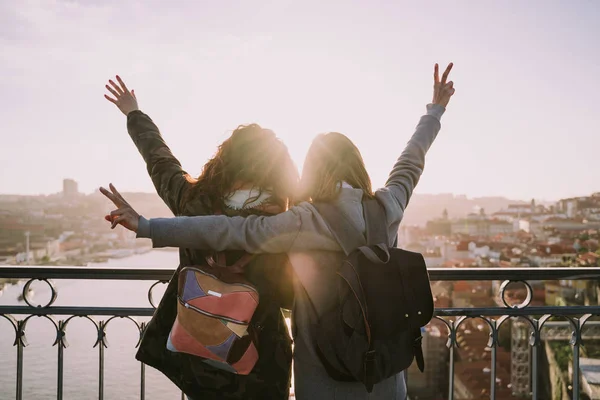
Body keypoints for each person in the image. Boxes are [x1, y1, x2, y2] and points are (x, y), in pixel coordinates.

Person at [102, 62, 456, 400]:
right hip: (382, 374)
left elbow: (226, 226)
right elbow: (411, 162)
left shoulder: (302, 219)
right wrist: (434, 111)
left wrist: (148, 226)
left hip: (319, 375)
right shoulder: (388, 205)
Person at [102, 77, 298, 400]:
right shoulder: (281, 222)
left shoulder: (192, 201)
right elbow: (290, 295)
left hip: (200, 356)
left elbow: (160, 160)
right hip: (261, 363)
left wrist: (133, 113)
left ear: (227, 160)